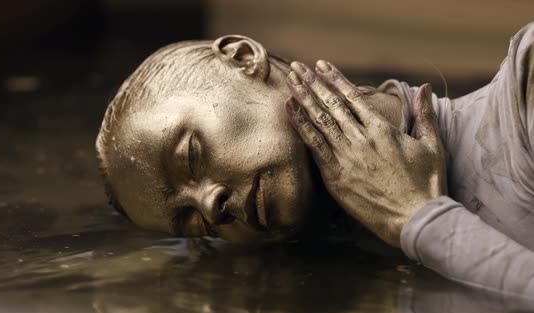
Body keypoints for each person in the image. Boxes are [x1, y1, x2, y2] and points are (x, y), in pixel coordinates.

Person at [96, 24, 534, 296]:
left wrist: (422, 221)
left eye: (190, 156)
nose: (212, 206)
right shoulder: (317, 286)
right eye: (195, 223)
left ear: (244, 58)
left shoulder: (525, 86)